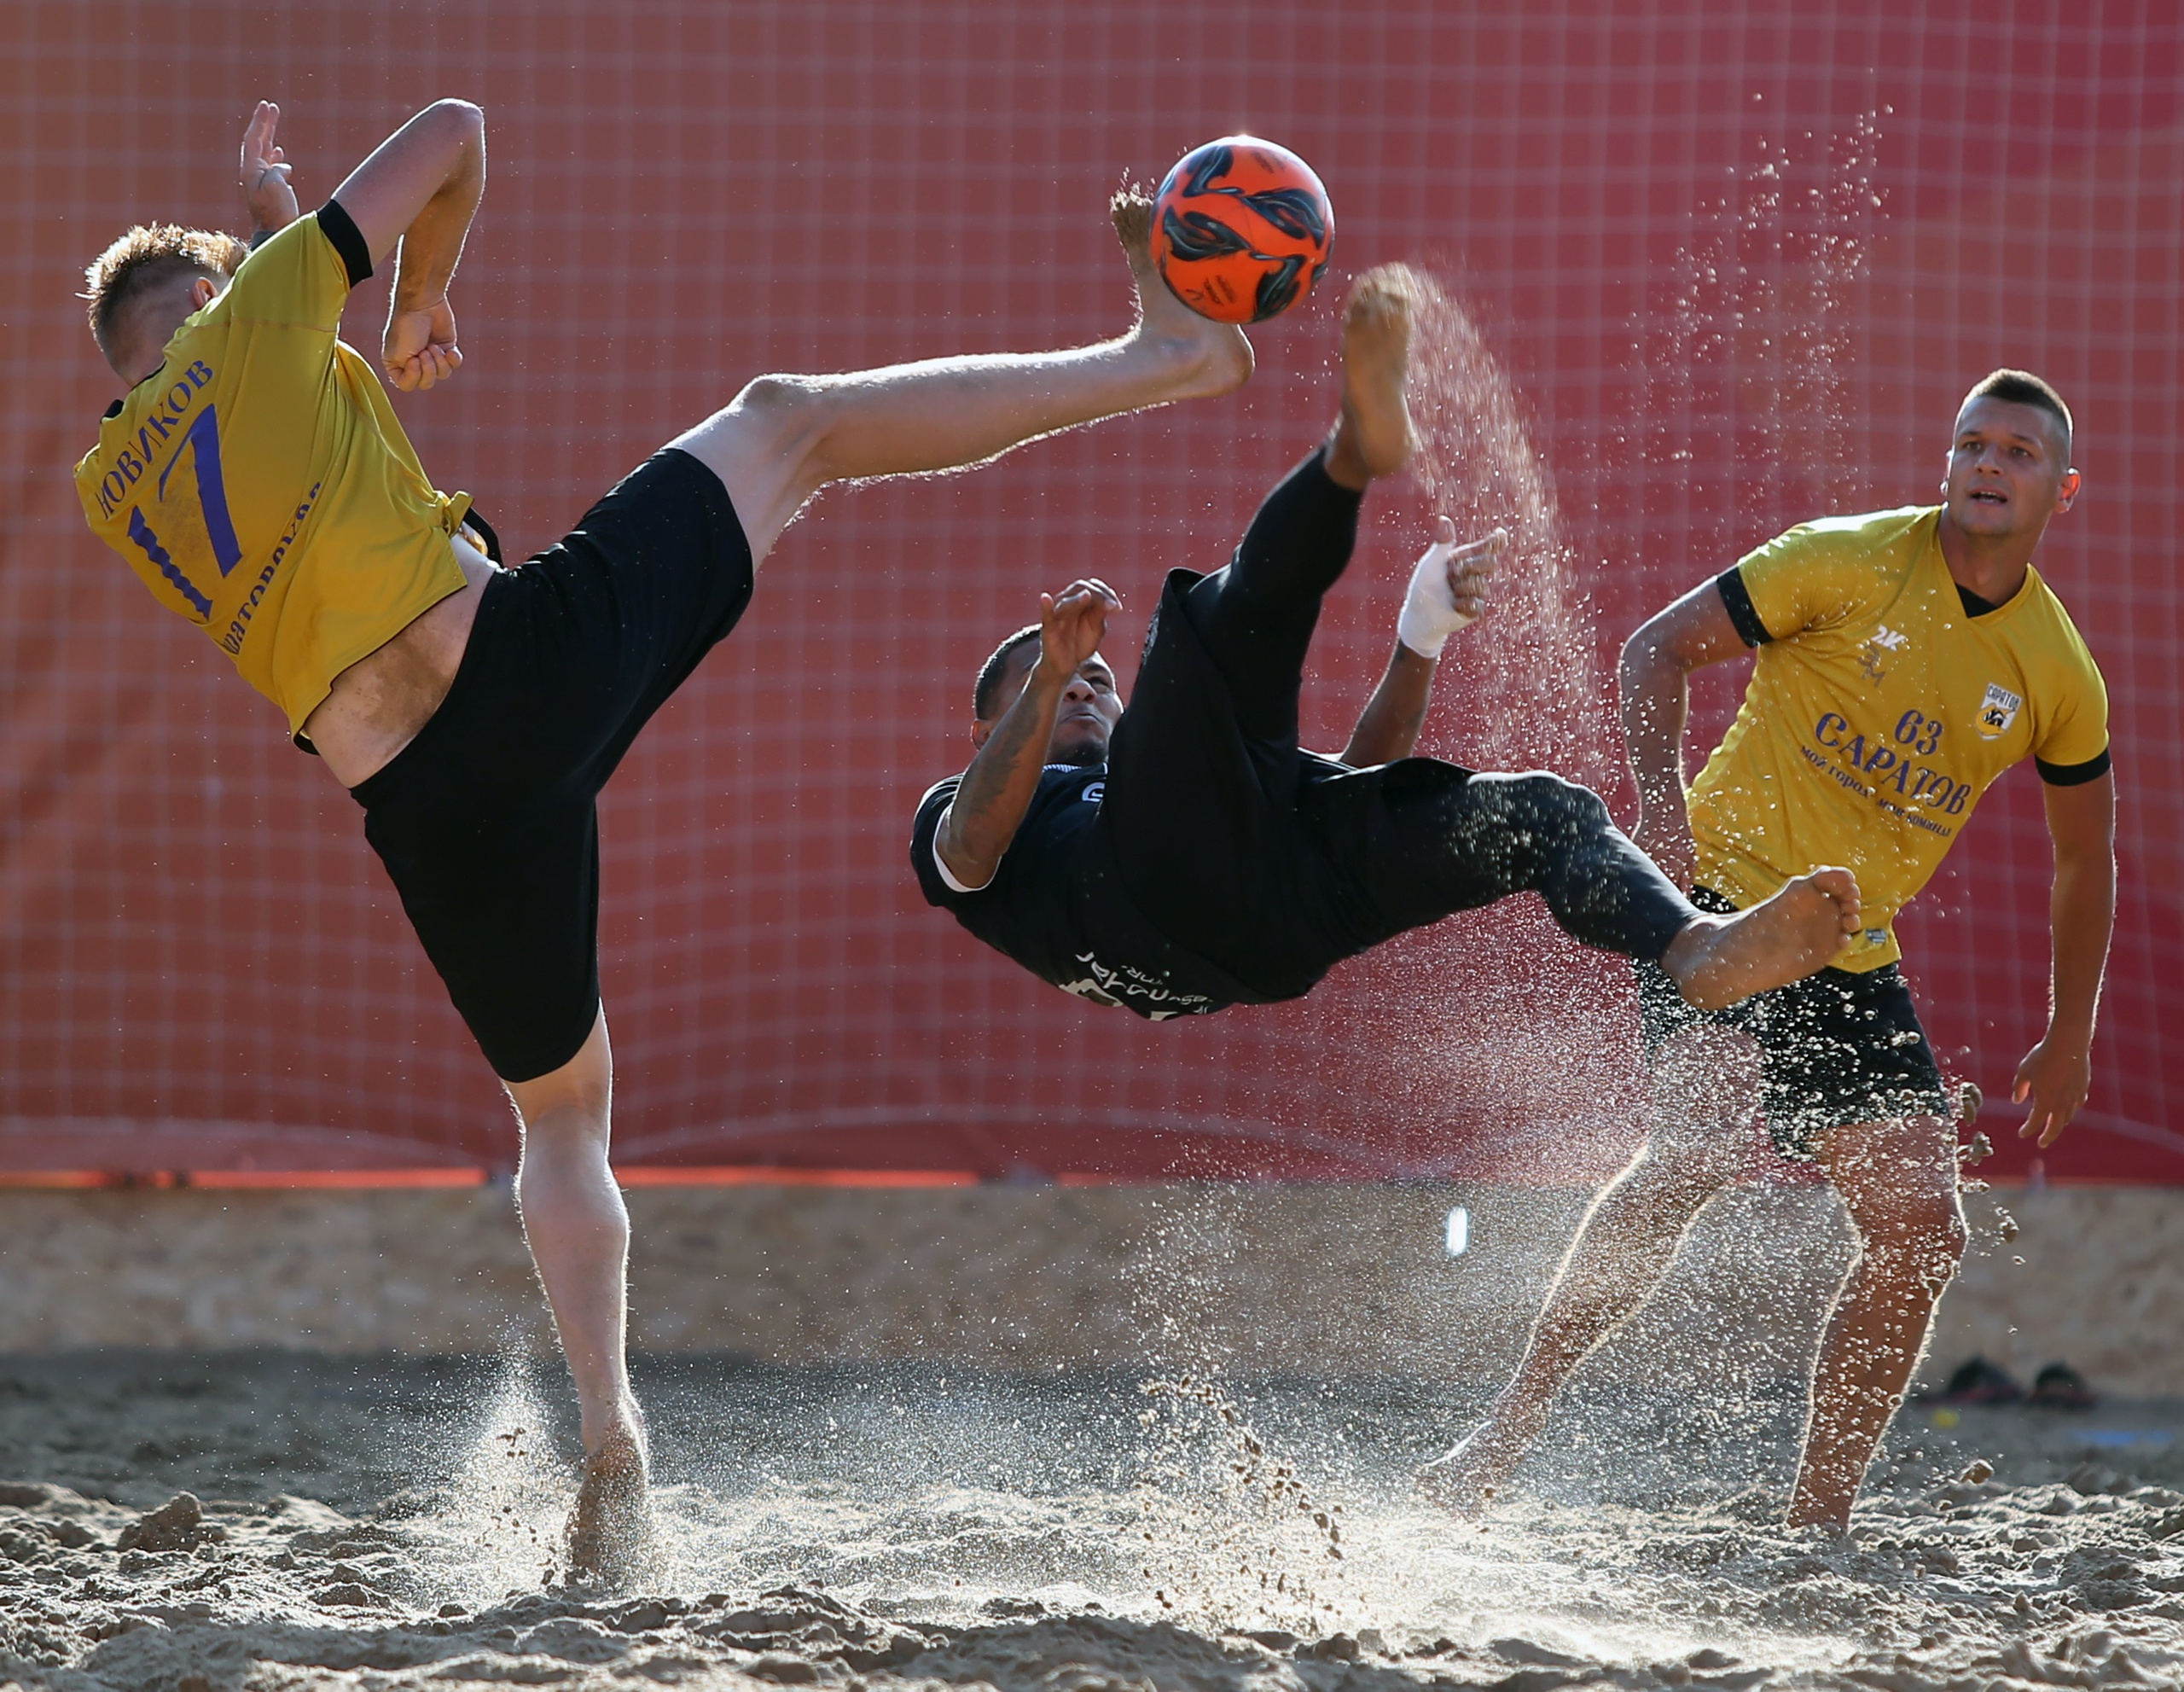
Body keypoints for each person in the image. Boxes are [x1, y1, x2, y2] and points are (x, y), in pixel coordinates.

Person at [73, 99, 1254, 1576]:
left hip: (431, 809)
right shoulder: (256, 323)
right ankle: (1166, 355)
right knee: (789, 420)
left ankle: (612, 1424)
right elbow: (454, 127)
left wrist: (266, 222)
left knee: (561, 1117)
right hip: (519, 661)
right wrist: (421, 290)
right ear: (217, 303)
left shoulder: (115, 480)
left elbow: (234, 368)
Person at [1420, 369, 2116, 1530]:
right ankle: (1501, 1430)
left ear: (2063, 488)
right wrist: (1665, 809)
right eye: (1972, 444)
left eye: (2020, 454)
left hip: (1848, 947)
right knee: (1700, 1141)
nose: (1990, 465)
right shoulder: (1843, 556)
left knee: (1921, 1229)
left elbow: (2086, 860)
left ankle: (1817, 1522)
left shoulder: (2058, 670)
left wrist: (2073, 1027)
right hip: (1726, 905)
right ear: (1945, 462)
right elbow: (1654, 648)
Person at [910, 267, 1864, 1050]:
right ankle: (1348, 457)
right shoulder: (970, 815)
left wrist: (1419, 639)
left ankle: (1690, 945)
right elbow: (970, 850)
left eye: (1095, 680)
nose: (1084, 680)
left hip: (1278, 926)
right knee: (1205, 626)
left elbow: (1349, 783)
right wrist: (1046, 675)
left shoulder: (1165, 774)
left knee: (1543, 813)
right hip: (1144, 898)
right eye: (1055, 677)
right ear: (987, 725)